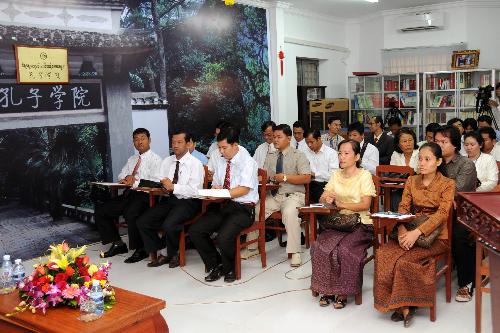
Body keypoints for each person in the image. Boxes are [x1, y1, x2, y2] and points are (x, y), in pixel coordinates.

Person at [374, 142, 455, 327]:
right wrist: (402, 229)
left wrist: (416, 233)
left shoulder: (447, 184)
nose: (422, 163)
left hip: (435, 236)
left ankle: (406, 305)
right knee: (384, 253)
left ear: (438, 161)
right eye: (420, 159)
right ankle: (399, 304)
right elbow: (403, 207)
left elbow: (442, 214)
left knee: (404, 261)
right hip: (409, 228)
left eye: (427, 159)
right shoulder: (412, 180)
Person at [311, 139, 376, 309]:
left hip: (360, 223)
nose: (342, 156)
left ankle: (343, 292)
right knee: (321, 246)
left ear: (356, 157)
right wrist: (326, 198)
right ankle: (327, 289)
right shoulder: (336, 175)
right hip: (339, 222)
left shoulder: (364, 175)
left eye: (347, 153)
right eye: (340, 153)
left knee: (345, 249)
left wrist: (340, 203)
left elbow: (365, 205)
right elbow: (322, 199)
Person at [189, 127, 259, 283]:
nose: (221, 152)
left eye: (224, 148)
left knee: (224, 236)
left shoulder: (248, 162)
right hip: (224, 204)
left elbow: (243, 189)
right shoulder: (220, 160)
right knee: (196, 230)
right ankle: (216, 264)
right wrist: (216, 189)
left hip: (244, 209)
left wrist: (224, 192)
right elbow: (217, 184)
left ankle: (230, 268)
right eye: (219, 147)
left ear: (235, 145)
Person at [136, 130, 204, 268]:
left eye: (179, 142)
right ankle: (164, 248)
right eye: (173, 142)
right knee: (143, 221)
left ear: (188, 144)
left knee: (169, 224)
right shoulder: (167, 161)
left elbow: (195, 190)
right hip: (169, 199)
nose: (175, 145)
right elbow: (161, 180)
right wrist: (162, 187)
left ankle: (172, 253)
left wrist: (174, 187)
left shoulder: (195, 164)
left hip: (189, 201)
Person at [246, 124, 311, 266]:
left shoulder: (298, 155)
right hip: (275, 196)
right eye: (274, 137)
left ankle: (295, 252)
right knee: (256, 209)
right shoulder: (271, 156)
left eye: (279, 137)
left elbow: (306, 177)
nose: (275, 140)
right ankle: (252, 248)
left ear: (289, 138)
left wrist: (286, 178)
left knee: (289, 212)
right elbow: (266, 177)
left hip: (294, 195)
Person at [94, 128, 162, 263]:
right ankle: (118, 244)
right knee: (102, 211)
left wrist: (135, 180)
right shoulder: (132, 159)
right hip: (129, 194)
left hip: (145, 196)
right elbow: (121, 175)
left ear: (149, 140)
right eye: (136, 139)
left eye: (142, 138)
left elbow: (156, 182)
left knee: (131, 213)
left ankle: (140, 249)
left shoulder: (157, 159)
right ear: (133, 142)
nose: (139, 142)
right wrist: (126, 177)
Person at [434, 125, 477, 302]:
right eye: (436, 141)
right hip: (437, 209)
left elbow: (456, 191)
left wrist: (437, 192)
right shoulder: (433, 160)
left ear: (455, 145)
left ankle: (466, 282)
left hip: (462, 212)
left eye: (443, 142)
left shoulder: (466, 164)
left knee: (459, 234)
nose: (439, 145)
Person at [303, 129, 339, 203]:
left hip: (325, 185)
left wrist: (315, 174)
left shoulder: (331, 153)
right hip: (306, 184)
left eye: (311, 142)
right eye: (307, 143)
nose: (309, 145)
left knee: (324, 197)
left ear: (319, 139)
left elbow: (334, 175)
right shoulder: (304, 153)